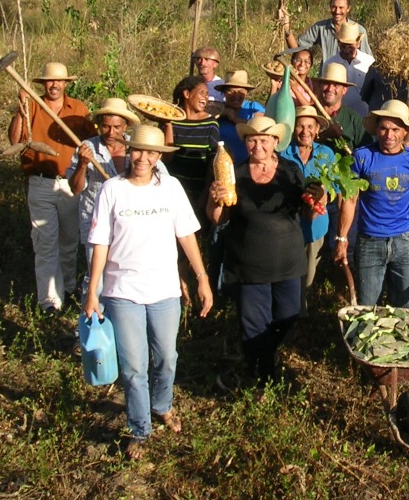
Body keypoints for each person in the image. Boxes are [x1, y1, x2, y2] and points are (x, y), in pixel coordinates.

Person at [83, 124, 213, 461]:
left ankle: (162, 404)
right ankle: (140, 428)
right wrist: (93, 291)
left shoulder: (170, 188)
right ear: (129, 151)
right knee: (134, 366)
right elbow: (100, 243)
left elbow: (186, 235)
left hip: (164, 289)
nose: (143, 158)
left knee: (167, 357)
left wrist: (201, 277)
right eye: (137, 150)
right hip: (121, 290)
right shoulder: (112, 189)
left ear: (159, 157)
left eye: (151, 152)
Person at [207, 115, 320, 386]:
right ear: (245, 143)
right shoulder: (236, 173)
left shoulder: (291, 171)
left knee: (288, 315)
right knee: (252, 325)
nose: (258, 146)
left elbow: (306, 214)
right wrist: (216, 200)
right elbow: (218, 219)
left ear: (276, 142)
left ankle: (259, 358)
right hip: (248, 265)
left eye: (264, 140)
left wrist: (317, 199)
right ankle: (263, 376)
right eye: (252, 140)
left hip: (288, 263)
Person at [8, 61, 94, 313]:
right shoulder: (32, 104)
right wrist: (20, 107)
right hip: (41, 183)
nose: (54, 85)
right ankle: (49, 302)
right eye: (49, 81)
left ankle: (67, 288)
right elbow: (15, 140)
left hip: (70, 184)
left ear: (66, 83)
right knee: (45, 243)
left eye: (59, 81)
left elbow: (91, 143)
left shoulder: (78, 108)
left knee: (68, 241)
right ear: (42, 84)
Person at [334, 100, 409, 308]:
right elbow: (350, 200)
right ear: (377, 129)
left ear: (405, 132)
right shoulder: (362, 157)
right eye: (384, 128)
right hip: (369, 240)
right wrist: (342, 238)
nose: (389, 135)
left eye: (395, 129)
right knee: (369, 308)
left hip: (404, 240)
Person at [67, 98, 141, 296]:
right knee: (95, 278)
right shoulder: (86, 148)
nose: (111, 133)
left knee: (124, 276)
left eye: (117, 127)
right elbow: (75, 189)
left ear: (125, 126)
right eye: (106, 127)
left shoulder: (136, 150)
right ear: (99, 126)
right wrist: (83, 164)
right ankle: (90, 322)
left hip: (128, 223)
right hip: (95, 222)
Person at [280, 106, 336, 314]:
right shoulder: (283, 152)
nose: (305, 131)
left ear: (317, 128)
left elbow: (333, 189)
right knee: (287, 274)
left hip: (315, 226)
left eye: (310, 126)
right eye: (300, 126)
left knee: (308, 276)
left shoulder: (326, 154)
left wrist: (322, 195)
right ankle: (286, 315)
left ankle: (300, 317)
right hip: (287, 224)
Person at [164, 76, 220, 211]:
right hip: (172, 193)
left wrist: (204, 195)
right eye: (202, 92)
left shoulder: (211, 124)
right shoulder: (170, 120)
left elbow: (213, 163)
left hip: (198, 192)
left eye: (207, 94)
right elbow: (167, 158)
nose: (206, 97)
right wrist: (168, 124)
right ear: (187, 94)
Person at [286, 0, 372, 61]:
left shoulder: (359, 30)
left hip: (351, 79)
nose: (337, 11)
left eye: (341, 7)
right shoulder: (320, 27)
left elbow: (367, 60)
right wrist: (287, 30)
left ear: (348, 8)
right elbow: (296, 49)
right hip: (326, 78)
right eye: (334, 7)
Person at [311, 62, 366, 152]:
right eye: (326, 83)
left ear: (344, 90)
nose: (330, 89)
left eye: (336, 85)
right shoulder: (308, 113)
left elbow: (365, 152)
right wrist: (325, 135)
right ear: (319, 86)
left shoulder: (354, 119)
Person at [323, 21, 374, 116]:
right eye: (343, 46)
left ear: (358, 44)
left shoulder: (369, 62)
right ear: (338, 43)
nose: (346, 50)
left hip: (364, 115)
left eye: (350, 47)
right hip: (339, 116)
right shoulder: (330, 64)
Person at [216, 70, 267, 162]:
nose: (236, 95)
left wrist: (235, 119)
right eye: (230, 91)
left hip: (249, 165)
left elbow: (263, 129)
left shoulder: (254, 108)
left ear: (246, 92)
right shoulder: (217, 109)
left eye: (241, 91)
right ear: (224, 93)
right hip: (223, 164)